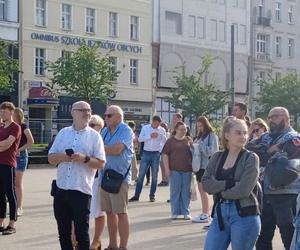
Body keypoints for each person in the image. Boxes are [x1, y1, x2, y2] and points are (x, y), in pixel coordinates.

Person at [48, 101, 106, 250]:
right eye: (83, 110)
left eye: (89, 110)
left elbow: (101, 163)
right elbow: (50, 158)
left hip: (81, 190)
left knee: (81, 233)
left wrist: (85, 159)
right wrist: (63, 156)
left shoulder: (95, 136)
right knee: (64, 233)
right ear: (73, 112)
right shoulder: (63, 133)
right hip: (61, 189)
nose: (87, 113)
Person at [202, 117, 261, 250]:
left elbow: (243, 190)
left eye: (245, 132)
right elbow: (206, 184)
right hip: (220, 214)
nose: (243, 136)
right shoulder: (217, 157)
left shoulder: (251, 158)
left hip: (245, 215)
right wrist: (230, 184)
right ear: (227, 135)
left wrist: (218, 190)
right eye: (238, 133)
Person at [247, 107, 300, 250]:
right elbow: (249, 150)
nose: (270, 120)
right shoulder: (266, 137)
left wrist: (264, 154)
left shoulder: (294, 138)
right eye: (269, 117)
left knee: (289, 235)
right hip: (264, 194)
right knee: (262, 236)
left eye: (275, 117)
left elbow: (286, 157)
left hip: (286, 195)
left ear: (286, 118)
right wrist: (270, 151)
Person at [100, 105, 134, 250]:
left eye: (109, 115)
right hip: (105, 175)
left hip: (120, 178)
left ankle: (123, 247)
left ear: (119, 117)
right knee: (109, 212)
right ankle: (112, 245)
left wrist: (100, 147)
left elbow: (116, 149)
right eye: (105, 115)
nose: (106, 118)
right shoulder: (105, 131)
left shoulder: (126, 130)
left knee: (121, 212)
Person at [129, 115, 167, 202]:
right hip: (146, 153)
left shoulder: (162, 130)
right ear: (152, 122)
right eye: (155, 124)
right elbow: (140, 139)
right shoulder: (146, 128)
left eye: (158, 124)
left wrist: (159, 150)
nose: (157, 126)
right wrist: (150, 136)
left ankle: (152, 195)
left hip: (156, 154)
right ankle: (136, 195)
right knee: (141, 175)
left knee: (155, 176)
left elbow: (164, 142)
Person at [162, 121, 193, 220]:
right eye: (182, 129)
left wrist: (192, 144)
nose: (184, 131)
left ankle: (185, 212)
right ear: (176, 130)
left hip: (187, 170)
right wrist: (167, 169)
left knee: (186, 192)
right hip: (174, 170)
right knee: (175, 191)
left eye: (185, 129)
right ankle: (174, 212)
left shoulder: (188, 140)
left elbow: (194, 154)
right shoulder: (170, 141)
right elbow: (165, 155)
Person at [191, 116, 219, 223]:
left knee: (205, 190)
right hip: (199, 166)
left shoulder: (212, 136)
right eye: (198, 126)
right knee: (201, 189)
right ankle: (205, 212)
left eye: (201, 126)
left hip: (207, 166)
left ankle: (206, 214)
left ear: (206, 125)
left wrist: (200, 145)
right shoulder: (199, 136)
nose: (199, 129)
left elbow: (212, 152)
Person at [0, 102, 21, 235]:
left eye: (5, 111)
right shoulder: (1, 127)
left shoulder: (15, 127)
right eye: (1, 111)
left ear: (11, 112)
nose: (2, 113)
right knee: (0, 194)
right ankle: (1, 222)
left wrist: (3, 145)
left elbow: (7, 144)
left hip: (8, 164)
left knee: (10, 193)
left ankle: (12, 223)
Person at [13, 107, 34, 217]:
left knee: (17, 183)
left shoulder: (23, 126)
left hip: (20, 156)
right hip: (9, 156)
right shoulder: (8, 126)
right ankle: (13, 205)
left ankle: (19, 207)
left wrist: (19, 149)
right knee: (9, 183)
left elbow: (31, 141)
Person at [89, 115, 105, 250]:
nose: (91, 127)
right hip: (82, 179)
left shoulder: (101, 140)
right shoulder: (82, 137)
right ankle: (74, 238)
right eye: (90, 124)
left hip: (98, 179)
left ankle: (96, 240)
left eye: (94, 125)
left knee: (99, 211)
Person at [158, 122, 170, 187]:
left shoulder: (167, 134)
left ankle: (166, 180)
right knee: (163, 167)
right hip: (161, 152)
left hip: (164, 153)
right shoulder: (164, 134)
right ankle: (164, 180)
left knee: (164, 167)